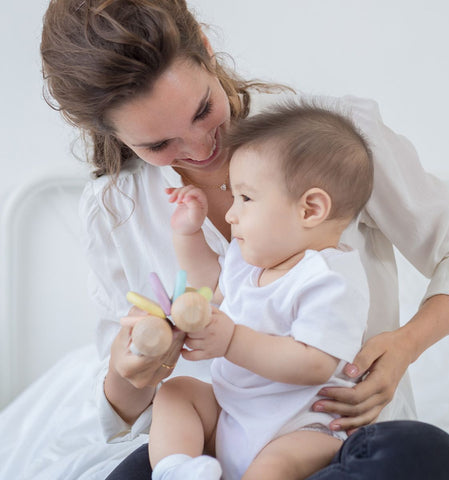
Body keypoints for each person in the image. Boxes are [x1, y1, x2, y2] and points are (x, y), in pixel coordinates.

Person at [37, 0, 449, 478]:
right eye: (159, 145)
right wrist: (134, 369)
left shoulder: (331, 143)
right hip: (211, 443)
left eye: (204, 110)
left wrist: (405, 345)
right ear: (115, 137)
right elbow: (129, 397)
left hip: (330, 433)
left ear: (206, 51)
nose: (201, 149)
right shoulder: (115, 207)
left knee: (429, 458)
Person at [149, 102, 373, 480]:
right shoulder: (248, 260)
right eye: (232, 196)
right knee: (175, 392)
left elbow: (314, 363)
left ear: (310, 209)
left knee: (276, 466)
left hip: (301, 425)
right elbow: (211, 288)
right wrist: (187, 233)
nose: (231, 213)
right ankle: (176, 469)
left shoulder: (329, 277)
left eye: (246, 198)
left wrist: (233, 340)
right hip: (232, 411)